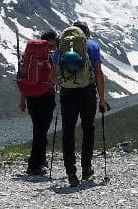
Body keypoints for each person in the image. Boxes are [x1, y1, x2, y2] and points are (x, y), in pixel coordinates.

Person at [53, 20, 109, 187]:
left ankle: (70, 172)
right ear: (87, 33)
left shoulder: (62, 46)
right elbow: (98, 73)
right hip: (87, 91)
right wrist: (102, 98)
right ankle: (86, 168)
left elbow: (53, 76)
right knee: (88, 128)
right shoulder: (92, 45)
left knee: (68, 130)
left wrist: (63, 83)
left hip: (67, 93)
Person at [18, 29, 58, 176]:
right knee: (41, 131)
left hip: (30, 96)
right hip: (45, 96)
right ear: (51, 41)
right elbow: (53, 77)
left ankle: (41, 160)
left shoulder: (28, 56)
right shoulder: (48, 57)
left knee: (38, 128)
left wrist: (22, 101)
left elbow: (23, 79)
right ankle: (34, 165)